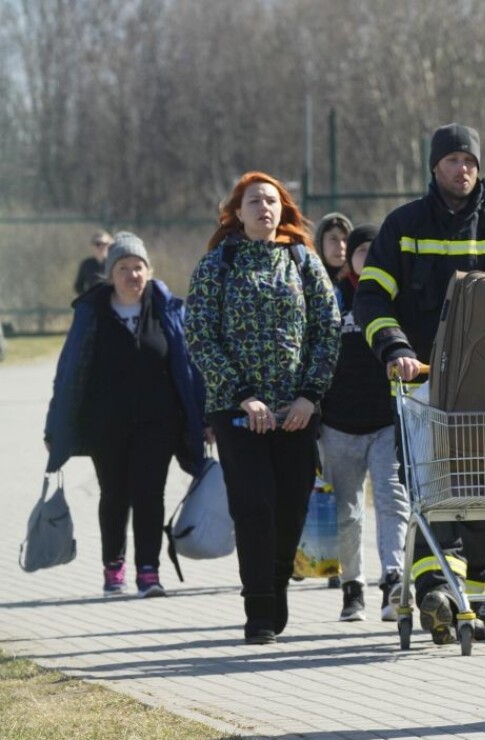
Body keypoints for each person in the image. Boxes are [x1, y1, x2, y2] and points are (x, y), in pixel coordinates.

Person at [353, 123, 485, 645]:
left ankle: (469, 595)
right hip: (422, 388)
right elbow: (371, 299)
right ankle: (439, 593)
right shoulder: (403, 227)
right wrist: (395, 349)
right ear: (434, 167)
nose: (462, 170)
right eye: (451, 161)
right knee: (429, 495)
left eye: (469, 161)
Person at [184, 171, 341, 645]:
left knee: (291, 506)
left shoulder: (303, 261)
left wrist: (309, 396)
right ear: (237, 211)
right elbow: (200, 335)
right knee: (254, 507)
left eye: (271, 201)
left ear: (283, 210)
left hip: (295, 410)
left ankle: (276, 586)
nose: (264, 209)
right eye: (254, 202)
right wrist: (241, 396)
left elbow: (327, 330)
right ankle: (258, 609)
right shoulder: (217, 265)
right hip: (237, 413)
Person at [45, 231, 207, 597]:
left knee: (150, 494)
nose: (132, 275)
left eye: (138, 267)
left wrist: (204, 416)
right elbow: (68, 373)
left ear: (149, 270)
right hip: (107, 425)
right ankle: (113, 567)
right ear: (109, 274)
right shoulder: (92, 314)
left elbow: (190, 368)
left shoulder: (167, 310)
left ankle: (148, 571)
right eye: (123, 268)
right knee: (114, 495)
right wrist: (54, 425)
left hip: (159, 423)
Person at [320, 223, 412, 623]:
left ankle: (393, 581)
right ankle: (351, 585)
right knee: (348, 512)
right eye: (361, 252)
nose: (368, 258)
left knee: (394, 501)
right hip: (339, 424)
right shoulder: (331, 297)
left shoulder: (398, 299)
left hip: (386, 421)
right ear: (350, 258)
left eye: (376, 252)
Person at [311, 211, 354, 590]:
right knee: (330, 487)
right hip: (324, 404)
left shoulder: (362, 284)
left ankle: (345, 562)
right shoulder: (312, 283)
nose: (339, 247)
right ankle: (328, 559)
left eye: (344, 240)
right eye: (332, 240)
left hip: (357, 403)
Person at [74, 230, 112, 296]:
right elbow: (78, 286)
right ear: (92, 246)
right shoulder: (86, 264)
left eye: (105, 244)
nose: (101, 247)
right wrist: (87, 297)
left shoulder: (115, 263)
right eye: (98, 244)